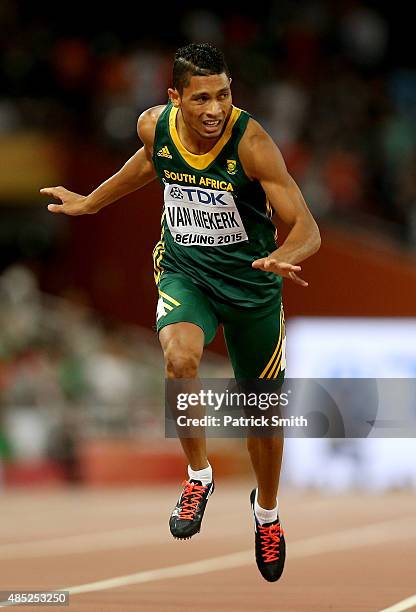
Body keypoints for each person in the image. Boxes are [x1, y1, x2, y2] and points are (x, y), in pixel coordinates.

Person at [40, 43, 320, 582]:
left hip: (252, 285)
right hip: (185, 271)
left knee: (261, 413)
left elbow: (307, 227)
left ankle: (267, 514)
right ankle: (199, 475)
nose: (215, 109)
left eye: (224, 95)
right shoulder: (155, 126)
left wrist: (284, 255)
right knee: (180, 357)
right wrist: (91, 202)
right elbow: (148, 164)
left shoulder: (253, 144)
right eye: (202, 99)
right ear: (176, 98)